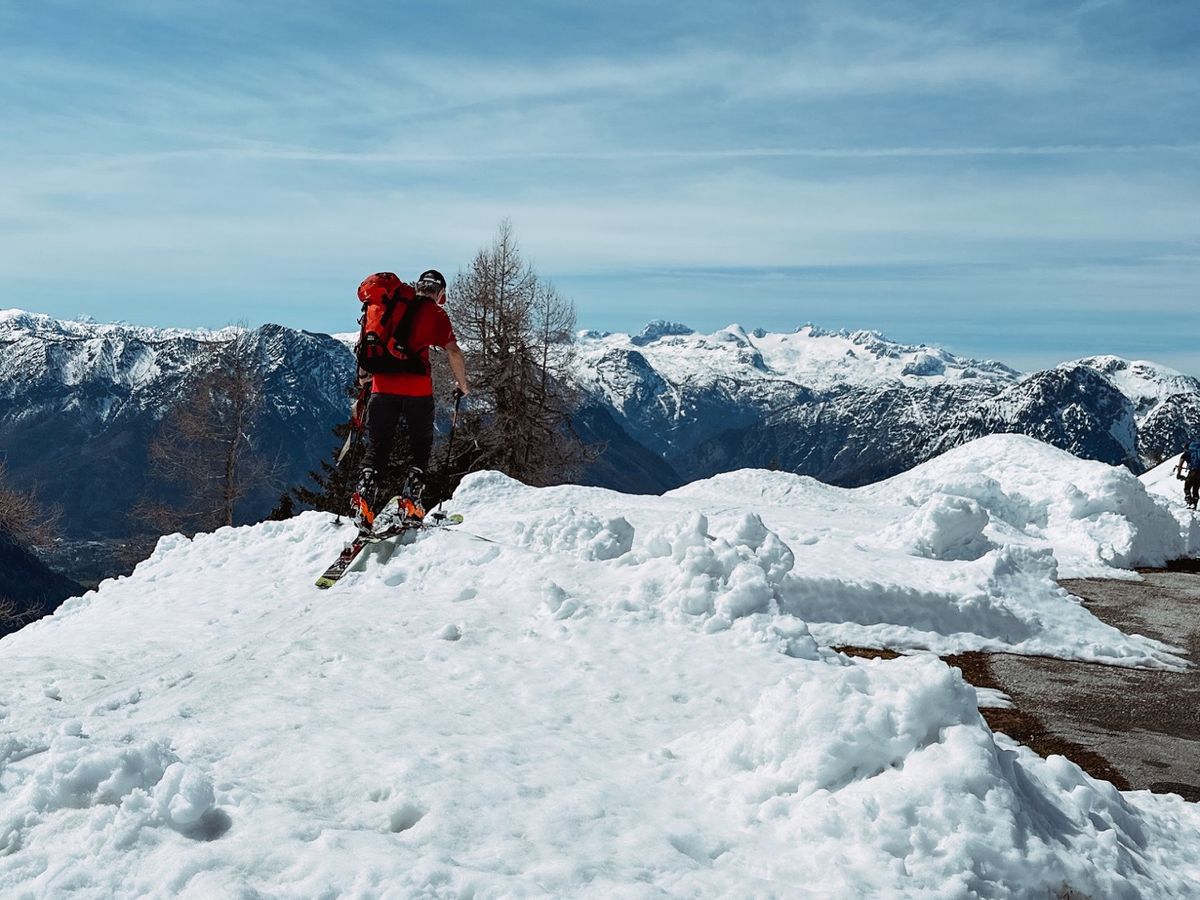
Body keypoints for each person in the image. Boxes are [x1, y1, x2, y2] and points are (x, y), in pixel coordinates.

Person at [353, 269, 469, 528]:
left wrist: (364, 378)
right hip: (417, 391)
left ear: (418, 286)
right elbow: (454, 352)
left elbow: (368, 343)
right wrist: (463, 385)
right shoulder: (436, 313)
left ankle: (365, 497)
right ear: (441, 295)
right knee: (420, 446)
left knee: (378, 447)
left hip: (381, 388)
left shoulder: (391, 306)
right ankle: (411, 501)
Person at [1173, 439, 1200, 511]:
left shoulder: (1186, 453)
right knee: (1196, 488)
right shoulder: (1198, 450)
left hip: (1193, 471)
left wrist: (1179, 474)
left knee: (1187, 487)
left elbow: (1180, 464)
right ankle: (1194, 503)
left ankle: (1189, 501)